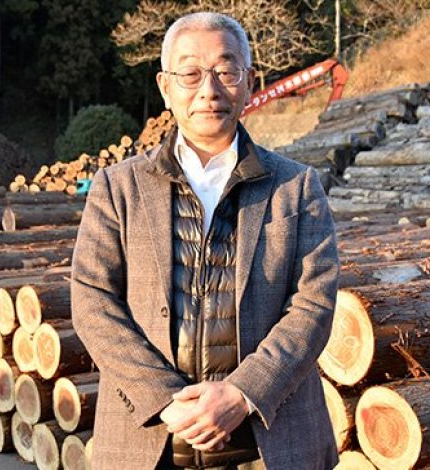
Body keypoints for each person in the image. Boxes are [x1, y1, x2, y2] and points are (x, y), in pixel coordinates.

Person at [71, 11, 339, 470]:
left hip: (271, 446)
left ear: (249, 81)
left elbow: (313, 304)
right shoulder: (118, 187)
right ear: (165, 86)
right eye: (190, 73)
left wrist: (242, 393)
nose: (208, 90)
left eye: (225, 71)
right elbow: (93, 301)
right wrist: (165, 399)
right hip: (149, 441)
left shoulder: (296, 187)